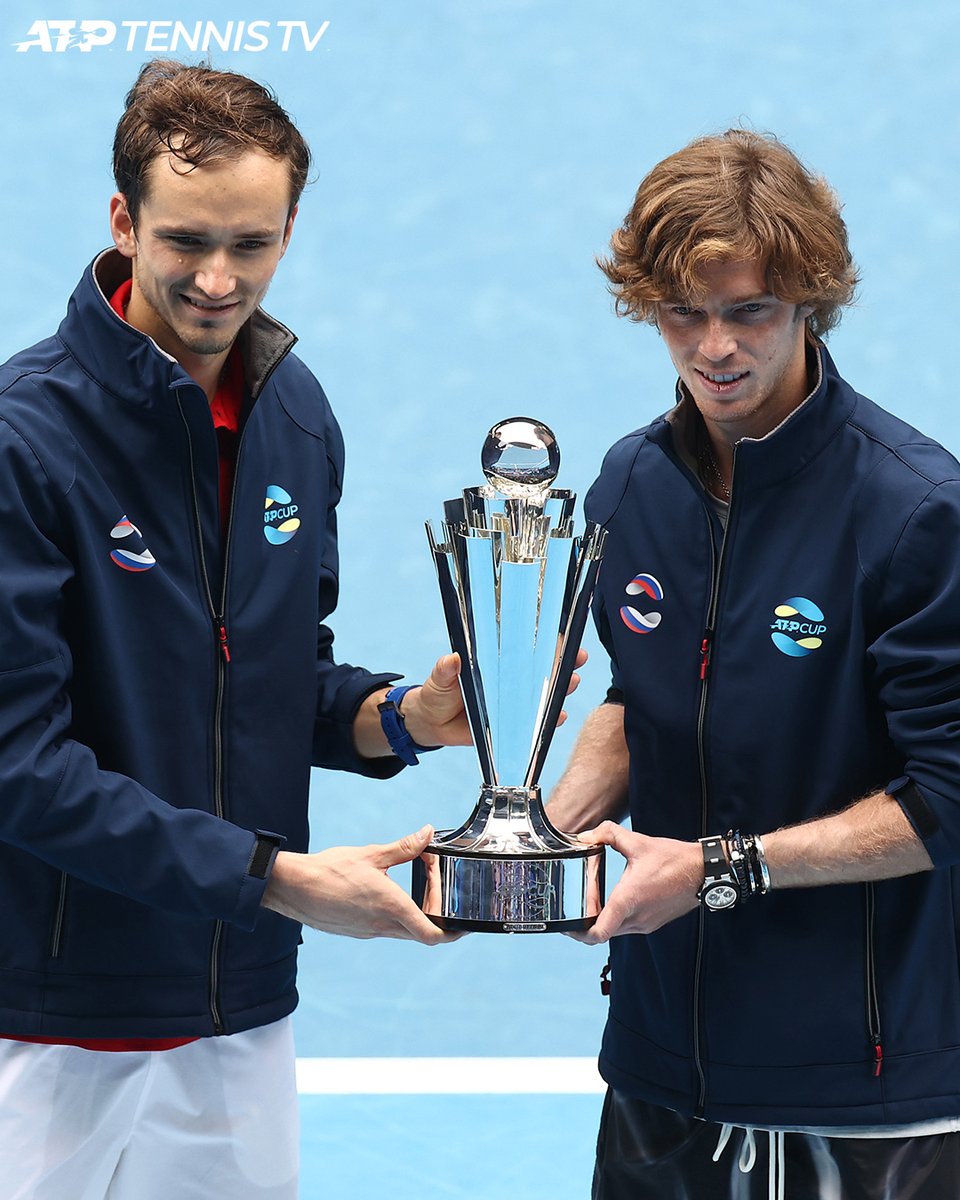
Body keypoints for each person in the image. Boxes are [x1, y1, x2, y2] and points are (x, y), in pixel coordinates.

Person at [0, 59, 470, 1199]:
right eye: (186, 241)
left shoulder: (295, 418)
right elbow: (19, 767)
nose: (218, 280)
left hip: (240, 1012)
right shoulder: (24, 441)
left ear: (289, 231)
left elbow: (268, 682)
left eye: (251, 244)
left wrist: (404, 717)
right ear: (124, 223)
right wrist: (278, 879)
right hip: (48, 1022)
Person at [547, 129, 960, 1199]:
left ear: (809, 301)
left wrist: (723, 868)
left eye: (751, 311)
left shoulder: (915, 511)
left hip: (865, 1096)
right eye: (684, 313)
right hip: (659, 1069)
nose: (716, 347)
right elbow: (643, 696)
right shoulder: (631, 485)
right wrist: (544, 828)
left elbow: (949, 800)